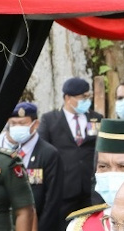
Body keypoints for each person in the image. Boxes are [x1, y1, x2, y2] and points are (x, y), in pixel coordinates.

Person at [38, 76, 102, 220]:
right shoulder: (50, 120)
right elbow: (43, 149)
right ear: (67, 98)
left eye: (88, 96)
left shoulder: (96, 118)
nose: (87, 100)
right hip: (63, 187)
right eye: (82, 97)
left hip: (90, 187)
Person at [4, 102, 65, 231]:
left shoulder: (49, 154)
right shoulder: (5, 152)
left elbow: (53, 200)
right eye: (13, 124)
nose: (17, 127)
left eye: (22, 123)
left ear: (35, 124)